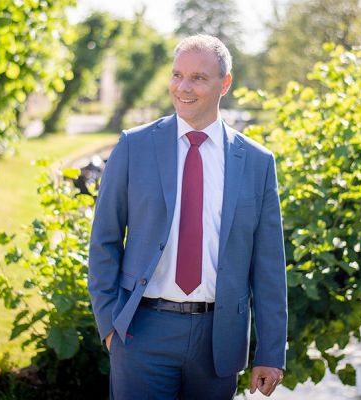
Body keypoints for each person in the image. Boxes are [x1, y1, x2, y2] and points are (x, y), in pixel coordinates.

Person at [88, 34, 287, 399]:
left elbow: (269, 264)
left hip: (219, 341)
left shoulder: (257, 162)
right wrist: (109, 325)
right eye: (177, 75)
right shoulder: (134, 146)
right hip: (141, 332)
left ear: (225, 83)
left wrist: (271, 352)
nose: (183, 87)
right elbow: (104, 239)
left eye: (198, 77)